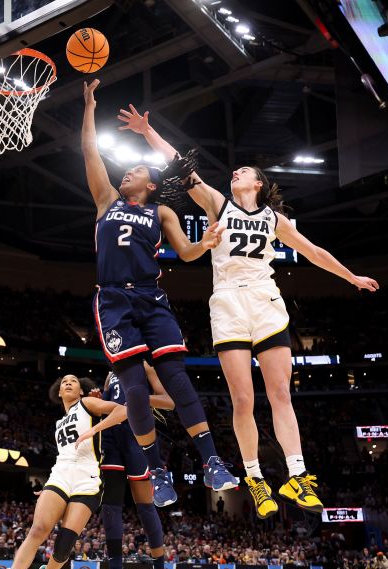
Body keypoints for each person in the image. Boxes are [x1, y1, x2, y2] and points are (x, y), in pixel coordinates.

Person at [118, 104, 379, 517]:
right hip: (228, 302)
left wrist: (351, 278)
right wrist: (148, 132)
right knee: (243, 399)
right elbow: (179, 166)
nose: (235, 172)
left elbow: (313, 252)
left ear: (258, 184)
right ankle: (256, 480)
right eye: (235, 170)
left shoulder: (275, 219)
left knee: (280, 395)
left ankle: (298, 476)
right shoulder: (219, 204)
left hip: (265, 300)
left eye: (243, 171)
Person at [81, 79, 239, 509]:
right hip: (113, 301)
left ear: (149, 186)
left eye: (136, 172)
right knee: (133, 390)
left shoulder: (162, 211)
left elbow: (185, 253)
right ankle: (158, 470)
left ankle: (211, 462)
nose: (127, 172)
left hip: (151, 298)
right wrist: (89, 107)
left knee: (177, 378)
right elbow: (91, 151)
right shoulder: (105, 202)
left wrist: (204, 244)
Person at [0, 375, 128, 569]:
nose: (69, 383)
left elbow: (123, 411)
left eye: (74, 381)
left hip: (87, 478)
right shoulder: (59, 423)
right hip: (60, 475)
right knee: (39, 528)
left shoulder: (88, 405)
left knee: (65, 543)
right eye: (64, 381)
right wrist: (47, 485)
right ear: (59, 392)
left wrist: (94, 430)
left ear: (81, 391)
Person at [96, 364, 174, 569]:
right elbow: (109, 405)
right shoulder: (110, 374)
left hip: (137, 434)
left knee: (145, 506)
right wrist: (100, 399)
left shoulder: (147, 366)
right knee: (110, 506)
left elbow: (168, 401)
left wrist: (142, 398)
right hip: (110, 436)